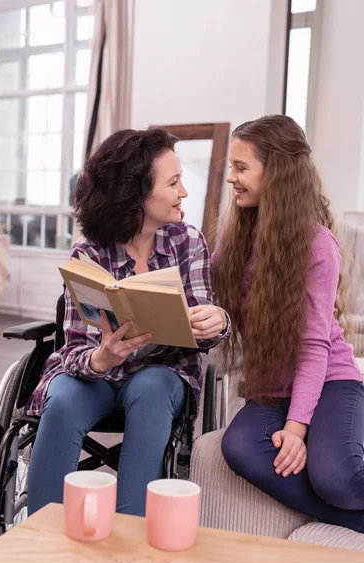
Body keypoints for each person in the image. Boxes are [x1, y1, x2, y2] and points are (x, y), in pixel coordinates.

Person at [27, 127, 229, 517]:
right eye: (173, 183)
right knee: (65, 397)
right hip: (98, 375)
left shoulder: (188, 242)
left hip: (162, 372)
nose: (183, 193)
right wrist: (100, 360)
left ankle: (131, 534)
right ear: (136, 193)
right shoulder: (89, 252)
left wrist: (216, 321)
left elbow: (207, 328)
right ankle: (41, 542)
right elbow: (74, 347)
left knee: (152, 388)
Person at [212, 114, 364, 532]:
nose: (231, 178)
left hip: (329, 379)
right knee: (240, 447)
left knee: (337, 478)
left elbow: (315, 347)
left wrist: (297, 429)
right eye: (232, 167)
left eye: (242, 168)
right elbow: (205, 289)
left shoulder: (318, 246)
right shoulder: (235, 238)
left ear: (275, 172)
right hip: (272, 390)